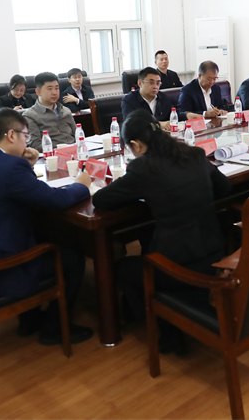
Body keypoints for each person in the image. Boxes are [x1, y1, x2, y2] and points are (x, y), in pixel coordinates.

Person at [0, 108, 94, 345]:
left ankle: (29, 319)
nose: (27, 141)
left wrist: (26, 165)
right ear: (11, 135)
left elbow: (19, 191)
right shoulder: (10, 167)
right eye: (26, 135)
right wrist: (81, 184)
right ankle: (54, 328)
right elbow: (56, 200)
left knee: (39, 231)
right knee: (72, 258)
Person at [93, 110, 232, 355]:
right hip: (216, 252)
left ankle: (166, 331)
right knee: (150, 235)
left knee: (123, 268)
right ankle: (172, 308)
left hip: (179, 264)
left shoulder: (143, 167)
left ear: (136, 145)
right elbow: (225, 188)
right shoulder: (194, 154)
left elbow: (101, 200)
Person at [24, 72, 76, 152]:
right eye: (49, 88)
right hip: (51, 155)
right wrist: (61, 149)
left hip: (74, 152)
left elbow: (77, 135)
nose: (54, 92)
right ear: (38, 92)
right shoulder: (30, 116)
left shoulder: (66, 111)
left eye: (56, 88)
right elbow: (35, 145)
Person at [121, 67, 188, 129]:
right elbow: (131, 125)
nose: (155, 86)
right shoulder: (129, 100)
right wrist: (158, 124)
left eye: (158, 83)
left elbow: (173, 114)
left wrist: (187, 115)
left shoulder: (163, 98)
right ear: (140, 83)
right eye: (151, 83)